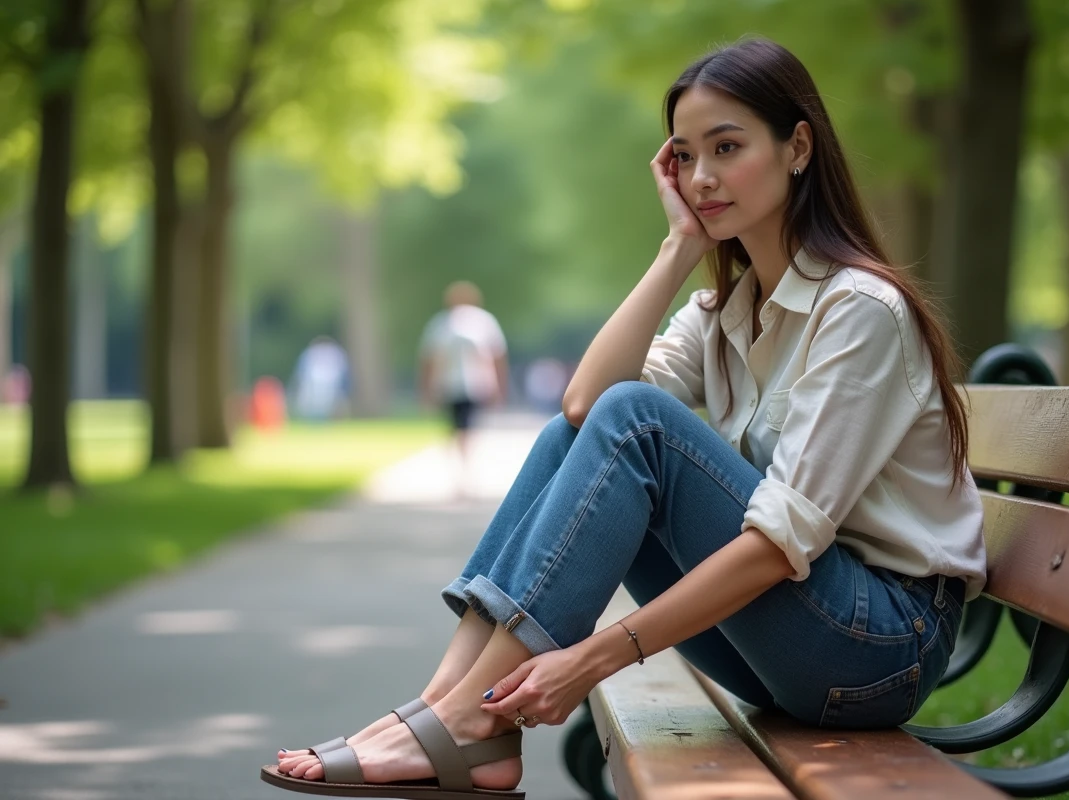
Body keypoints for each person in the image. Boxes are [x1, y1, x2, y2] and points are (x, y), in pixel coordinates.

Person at [267, 37, 986, 798]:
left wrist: (593, 658)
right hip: (796, 637)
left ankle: (464, 723)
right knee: (589, 428)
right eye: (684, 156)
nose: (702, 178)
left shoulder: (858, 312)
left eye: (727, 147)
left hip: (879, 647)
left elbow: (779, 544)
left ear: (797, 146)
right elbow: (583, 408)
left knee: (639, 422)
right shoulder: (727, 312)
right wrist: (679, 246)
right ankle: (450, 707)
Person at [417, 281, 509, 476]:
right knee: (457, 426)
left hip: (474, 384)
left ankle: (465, 466)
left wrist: (498, 385)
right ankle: (462, 466)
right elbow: (430, 359)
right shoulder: (442, 323)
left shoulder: (481, 322)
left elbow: (495, 357)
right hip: (449, 384)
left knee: (466, 425)